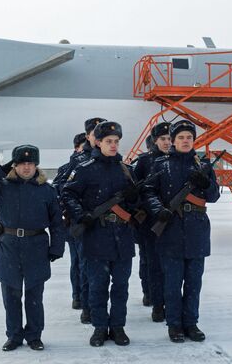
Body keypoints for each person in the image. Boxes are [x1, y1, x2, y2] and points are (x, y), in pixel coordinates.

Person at [0, 145, 64, 352]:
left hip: (37, 246)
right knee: (11, 296)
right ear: (14, 166)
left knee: (34, 296)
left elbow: (57, 222)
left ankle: (34, 336)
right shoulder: (2, 186)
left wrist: (57, 247)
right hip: (10, 246)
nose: (26, 167)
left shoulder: (46, 191)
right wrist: (0, 170)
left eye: (30, 163)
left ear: (36, 166)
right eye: (22, 163)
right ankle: (14, 336)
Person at [61, 121, 139, 347]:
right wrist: (80, 214)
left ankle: (118, 327)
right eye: (108, 141)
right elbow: (67, 194)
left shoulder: (127, 170)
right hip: (96, 235)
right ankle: (99, 328)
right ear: (98, 142)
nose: (113, 145)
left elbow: (137, 205)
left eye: (116, 142)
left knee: (121, 286)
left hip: (122, 237)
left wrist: (134, 197)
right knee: (97, 286)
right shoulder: (84, 169)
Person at [145, 119, 220, 343]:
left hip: (197, 230)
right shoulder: (161, 164)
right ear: (174, 141)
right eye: (181, 138)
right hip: (170, 229)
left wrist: (206, 183)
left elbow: (214, 196)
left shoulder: (202, 164)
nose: (185, 141)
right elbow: (148, 192)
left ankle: (191, 323)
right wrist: (158, 209)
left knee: (194, 282)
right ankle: (174, 325)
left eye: (189, 137)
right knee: (172, 282)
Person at [55, 117, 107, 325]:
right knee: (82, 264)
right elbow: (62, 190)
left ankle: (94, 305)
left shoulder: (109, 160)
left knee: (98, 268)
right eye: (95, 133)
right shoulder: (77, 161)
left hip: (103, 226)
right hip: (83, 223)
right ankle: (84, 303)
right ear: (88, 136)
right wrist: (77, 213)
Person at [133, 122, 172, 323]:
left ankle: (169, 301)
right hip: (150, 222)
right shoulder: (144, 162)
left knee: (171, 266)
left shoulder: (177, 160)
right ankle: (156, 302)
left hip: (173, 222)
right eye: (163, 139)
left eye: (169, 139)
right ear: (155, 141)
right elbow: (135, 190)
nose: (167, 142)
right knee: (152, 264)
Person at [52, 133, 86, 311]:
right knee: (78, 261)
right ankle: (78, 296)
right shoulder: (67, 168)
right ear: (76, 148)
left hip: (93, 225)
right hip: (75, 223)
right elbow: (58, 193)